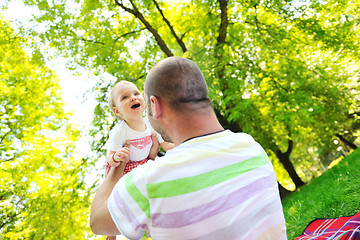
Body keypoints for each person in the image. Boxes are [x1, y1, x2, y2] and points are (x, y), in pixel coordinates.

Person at [90, 57, 287, 240]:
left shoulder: (147, 181)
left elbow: (96, 223)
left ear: (154, 106)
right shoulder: (251, 146)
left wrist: (118, 168)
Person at [103, 80, 174, 240]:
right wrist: (116, 157)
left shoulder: (150, 124)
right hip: (124, 167)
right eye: (125, 97)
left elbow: (164, 144)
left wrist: (179, 147)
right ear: (118, 112)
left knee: (154, 187)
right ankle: (111, 230)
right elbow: (110, 157)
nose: (133, 98)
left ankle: (157, 220)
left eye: (136, 94)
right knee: (116, 198)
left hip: (143, 164)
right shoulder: (119, 131)